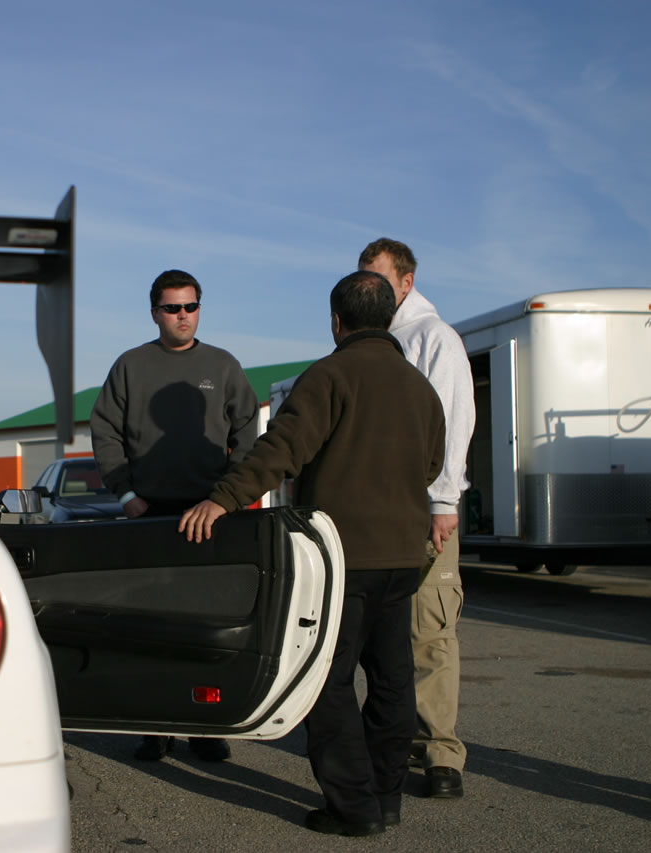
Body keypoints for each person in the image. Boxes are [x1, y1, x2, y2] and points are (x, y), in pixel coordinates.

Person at [180, 271, 445, 836]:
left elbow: (282, 449)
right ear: (389, 319)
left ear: (336, 320)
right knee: (394, 679)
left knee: (327, 680)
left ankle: (353, 807)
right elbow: (432, 465)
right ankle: (386, 796)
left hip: (346, 557)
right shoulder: (419, 387)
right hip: (404, 556)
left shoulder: (329, 376)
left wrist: (223, 499)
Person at [90, 268, 259, 763]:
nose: (183, 315)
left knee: (209, 628)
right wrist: (126, 494)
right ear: (154, 313)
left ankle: (206, 728)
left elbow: (249, 434)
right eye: (172, 308)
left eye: (191, 306)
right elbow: (105, 431)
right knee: (151, 627)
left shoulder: (222, 366)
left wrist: (228, 496)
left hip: (210, 515)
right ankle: (155, 728)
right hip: (149, 515)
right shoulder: (130, 366)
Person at [359, 238, 475, 799]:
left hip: (425, 511)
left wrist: (444, 502)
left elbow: (454, 421)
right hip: (381, 516)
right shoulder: (374, 341)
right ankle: (397, 742)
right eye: (364, 278)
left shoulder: (434, 337)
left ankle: (441, 756)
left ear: (407, 282)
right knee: (386, 636)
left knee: (430, 632)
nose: (371, 288)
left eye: (380, 278)